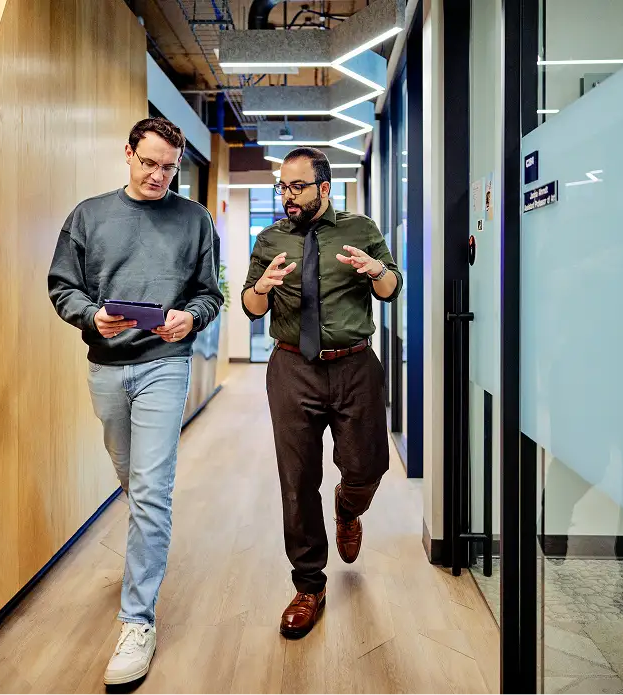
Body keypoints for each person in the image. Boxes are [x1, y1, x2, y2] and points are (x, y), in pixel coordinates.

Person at [47, 117, 222, 685]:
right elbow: (62, 287)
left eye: (169, 168)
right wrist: (89, 315)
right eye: (149, 163)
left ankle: (137, 621)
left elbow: (209, 294)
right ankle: (148, 539)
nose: (158, 176)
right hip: (106, 367)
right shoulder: (89, 216)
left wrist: (188, 317)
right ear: (128, 153)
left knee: (149, 490)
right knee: (133, 481)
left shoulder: (194, 220)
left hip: (164, 366)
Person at [241, 146, 402, 638]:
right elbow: (249, 306)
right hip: (292, 368)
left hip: (354, 365)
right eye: (282, 187)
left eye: (297, 187)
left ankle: (349, 505)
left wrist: (375, 271)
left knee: (368, 464)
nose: (287, 196)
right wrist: (264, 287)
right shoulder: (270, 239)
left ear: (324, 189)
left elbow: (392, 287)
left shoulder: (361, 230)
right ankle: (309, 585)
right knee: (297, 480)